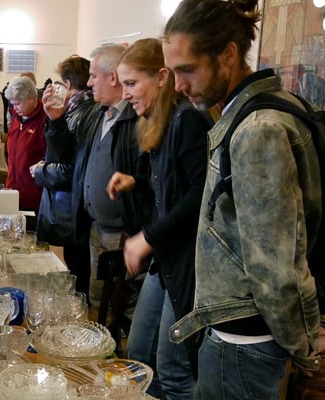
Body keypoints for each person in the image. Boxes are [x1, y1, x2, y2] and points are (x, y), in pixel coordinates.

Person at [162, 1, 325, 399]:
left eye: (187, 69)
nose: (178, 85)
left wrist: (306, 345)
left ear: (227, 54)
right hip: (242, 333)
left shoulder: (258, 130)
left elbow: (276, 263)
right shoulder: (258, 111)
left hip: (243, 342)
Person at [106, 38, 212, 399]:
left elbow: (199, 197)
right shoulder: (160, 122)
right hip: (165, 259)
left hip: (185, 265)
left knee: (173, 371)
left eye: (132, 83)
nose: (125, 94)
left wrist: (147, 237)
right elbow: (171, 187)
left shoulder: (187, 120)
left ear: (162, 77)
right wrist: (136, 182)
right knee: (138, 354)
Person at [49, 44, 143, 311]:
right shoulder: (97, 113)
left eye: (93, 76)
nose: (89, 83)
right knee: (97, 298)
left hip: (123, 231)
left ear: (112, 77)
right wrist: (56, 122)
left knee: (123, 304)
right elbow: (68, 156)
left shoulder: (137, 118)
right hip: (95, 226)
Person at [31, 54, 94, 301]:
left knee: (79, 273)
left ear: (67, 84)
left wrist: (41, 171)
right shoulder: (79, 109)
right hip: (73, 203)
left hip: (72, 205)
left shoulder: (81, 112)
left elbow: (69, 168)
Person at [4, 76, 47, 230]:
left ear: (30, 99)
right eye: (12, 104)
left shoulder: (45, 120)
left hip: (34, 197)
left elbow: (50, 158)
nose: (14, 108)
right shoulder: (17, 118)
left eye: (17, 103)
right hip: (12, 193)